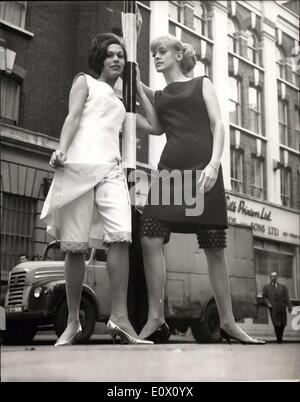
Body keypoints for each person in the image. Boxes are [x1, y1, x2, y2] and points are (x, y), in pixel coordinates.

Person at [136, 34, 265, 345]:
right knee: (150, 233)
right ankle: (155, 318)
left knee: (213, 245)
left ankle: (229, 323)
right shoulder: (160, 94)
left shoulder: (201, 83)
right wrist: (135, 94)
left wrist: (214, 165)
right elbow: (155, 127)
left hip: (202, 171)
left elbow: (220, 125)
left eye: (162, 51)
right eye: (153, 52)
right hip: (171, 171)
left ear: (179, 54)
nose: (156, 56)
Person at [41, 33, 153, 346]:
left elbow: (156, 125)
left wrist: (139, 82)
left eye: (121, 55)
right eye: (111, 54)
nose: (117, 59)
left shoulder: (123, 102)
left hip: (111, 170)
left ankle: (119, 318)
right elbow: (73, 117)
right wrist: (61, 149)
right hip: (77, 166)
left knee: (121, 236)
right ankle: (73, 321)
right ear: (100, 59)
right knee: (74, 246)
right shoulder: (85, 82)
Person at [263, 272, 292, 343]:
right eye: (272, 276)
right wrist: (268, 303)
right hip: (273, 308)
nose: (273, 278)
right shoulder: (266, 287)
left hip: (282, 308)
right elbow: (264, 297)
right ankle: (279, 338)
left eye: (275, 276)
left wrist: (289, 306)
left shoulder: (283, 287)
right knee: (276, 324)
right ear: (270, 278)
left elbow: (287, 297)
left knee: (282, 324)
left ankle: (280, 337)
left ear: (277, 277)